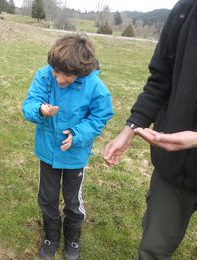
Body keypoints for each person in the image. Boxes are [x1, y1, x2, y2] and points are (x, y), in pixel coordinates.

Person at [104, 0, 197, 258]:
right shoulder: (185, 10)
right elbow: (159, 80)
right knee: (153, 250)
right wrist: (131, 128)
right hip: (172, 168)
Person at [22, 33, 113, 260]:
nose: (58, 78)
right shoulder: (45, 76)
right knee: (47, 197)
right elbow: (30, 103)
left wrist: (77, 133)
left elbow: (99, 117)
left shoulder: (96, 87)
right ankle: (51, 237)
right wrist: (40, 109)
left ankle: (73, 240)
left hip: (75, 156)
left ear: (81, 72)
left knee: (73, 201)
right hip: (47, 151)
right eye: (56, 71)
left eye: (66, 75)